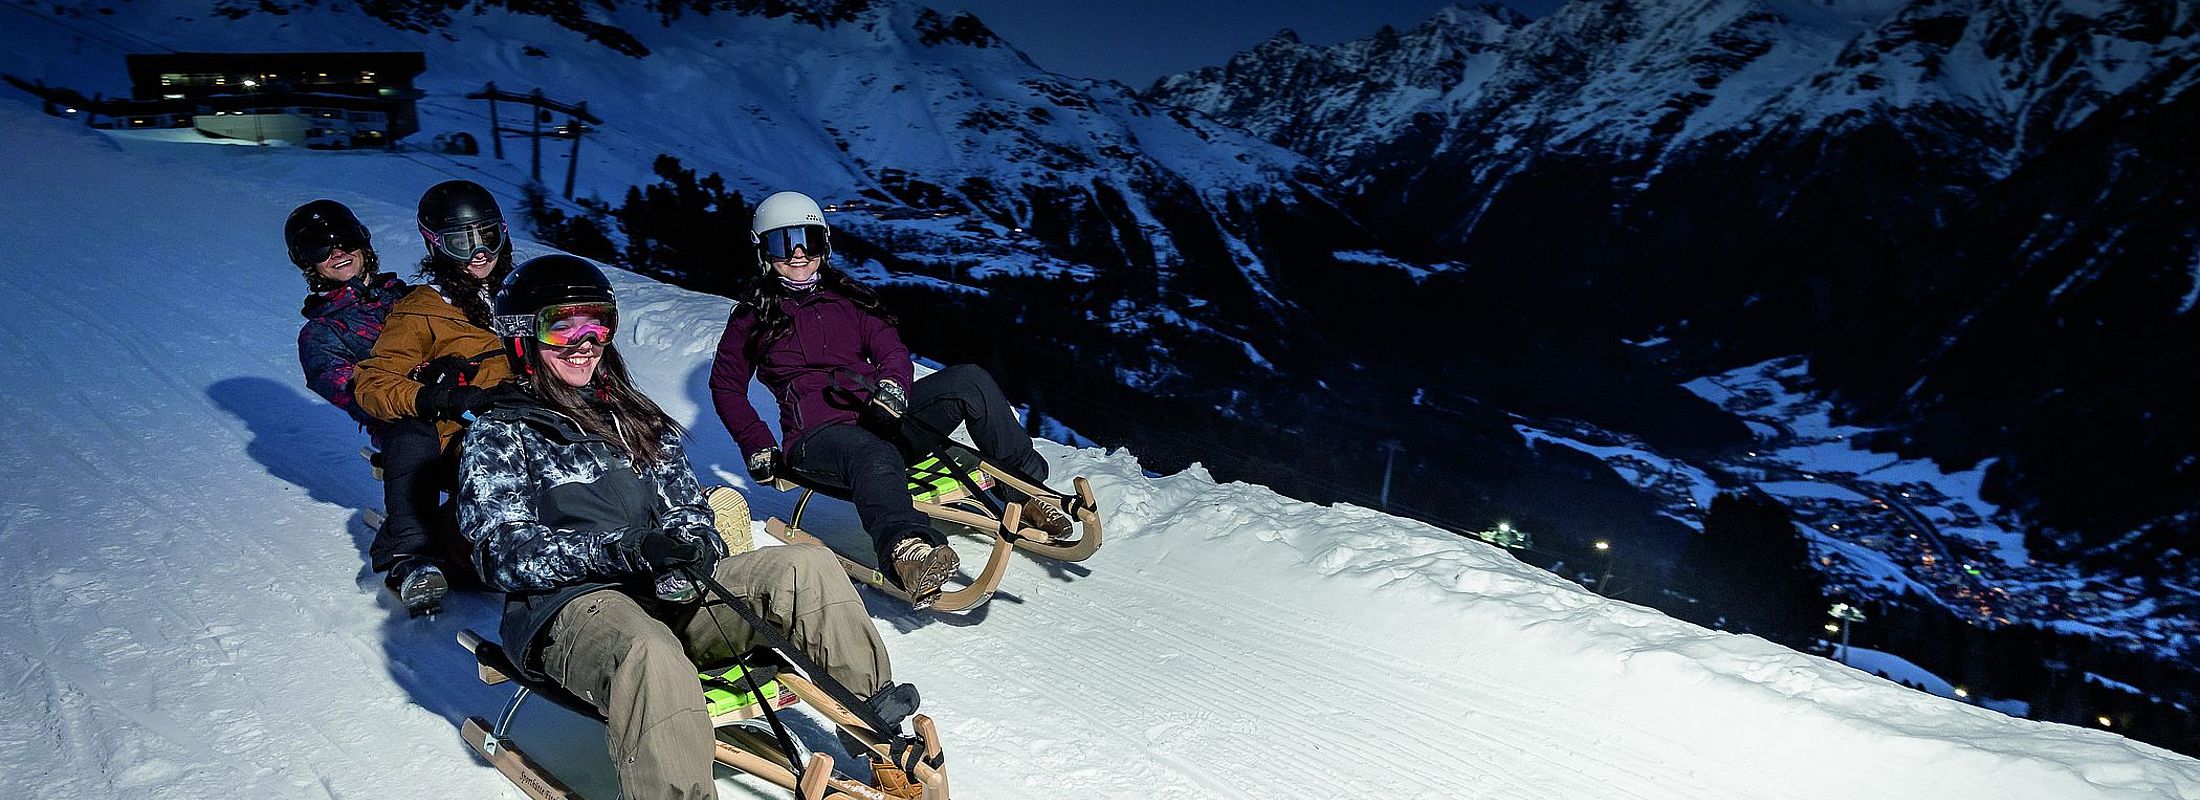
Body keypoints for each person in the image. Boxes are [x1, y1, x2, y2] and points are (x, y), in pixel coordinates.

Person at [460, 254, 920, 800]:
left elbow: (688, 505)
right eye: (562, 326)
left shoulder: (633, 416)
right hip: (570, 609)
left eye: (598, 324)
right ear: (521, 336)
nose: (585, 342)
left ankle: (879, 736)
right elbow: (500, 550)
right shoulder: (501, 432)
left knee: (804, 566)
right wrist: (627, 549)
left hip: (663, 593)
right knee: (647, 649)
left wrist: (695, 542)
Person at [707, 191, 1074, 602]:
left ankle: (1026, 493)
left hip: (883, 417)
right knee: (871, 454)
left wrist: (894, 386)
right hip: (818, 438)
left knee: (969, 381)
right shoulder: (751, 317)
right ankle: (907, 550)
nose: (797, 254)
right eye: (782, 243)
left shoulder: (849, 298)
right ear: (762, 250)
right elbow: (726, 386)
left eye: (807, 240)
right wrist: (757, 444)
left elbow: (891, 349)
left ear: (823, 245)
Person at [352, 179, 517, 614]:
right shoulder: (422, 309)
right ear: (436, 246)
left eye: (487, 236)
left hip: (527, 419)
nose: (479, 252)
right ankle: (412, 553)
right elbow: (372, 383)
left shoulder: (524, 292)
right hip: (460, 436)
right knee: (408, 434)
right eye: (461, 243)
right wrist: (435, 399)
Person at [285, 199, 451, 614]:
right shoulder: (320, 334)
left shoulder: (413, 297)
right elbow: (354, 391)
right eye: (319, 249)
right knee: (414, 435)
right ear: (308, 264)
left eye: (342, 240)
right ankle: (410, 558)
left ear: (362, 242)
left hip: (467, 399)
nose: (335, 252)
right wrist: (420, 388)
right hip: (408, 420)